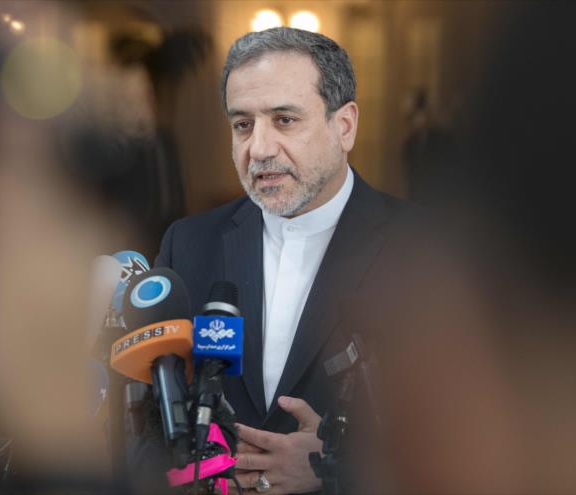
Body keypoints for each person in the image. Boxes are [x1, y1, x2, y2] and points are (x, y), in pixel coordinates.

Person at [154, 27, 424, 494]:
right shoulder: (188, 244)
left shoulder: (425, 250)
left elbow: (470, 438)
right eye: (243, 125)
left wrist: (336, 467)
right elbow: (149, 427)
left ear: (345, 126)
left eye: (284, 120)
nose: (258, 149)